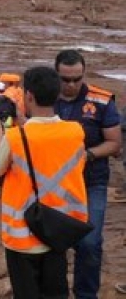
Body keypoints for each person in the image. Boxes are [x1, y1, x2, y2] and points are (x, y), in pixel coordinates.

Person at [0, 66, 88, 299]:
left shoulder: (16, 137)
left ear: (29, 96)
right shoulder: (75, 131)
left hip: (22, 236)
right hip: (58, 230)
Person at [53, 49, 122, 299]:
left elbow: (114, 143)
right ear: (56, 74)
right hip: (55, 183)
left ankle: (85, 294)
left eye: (77, 78)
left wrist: (88, 155)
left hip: (91, 181)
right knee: (54, 242)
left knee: (90, 243)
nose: (71, 85)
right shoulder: (44, 99)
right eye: (65, 79)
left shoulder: (102, 101)